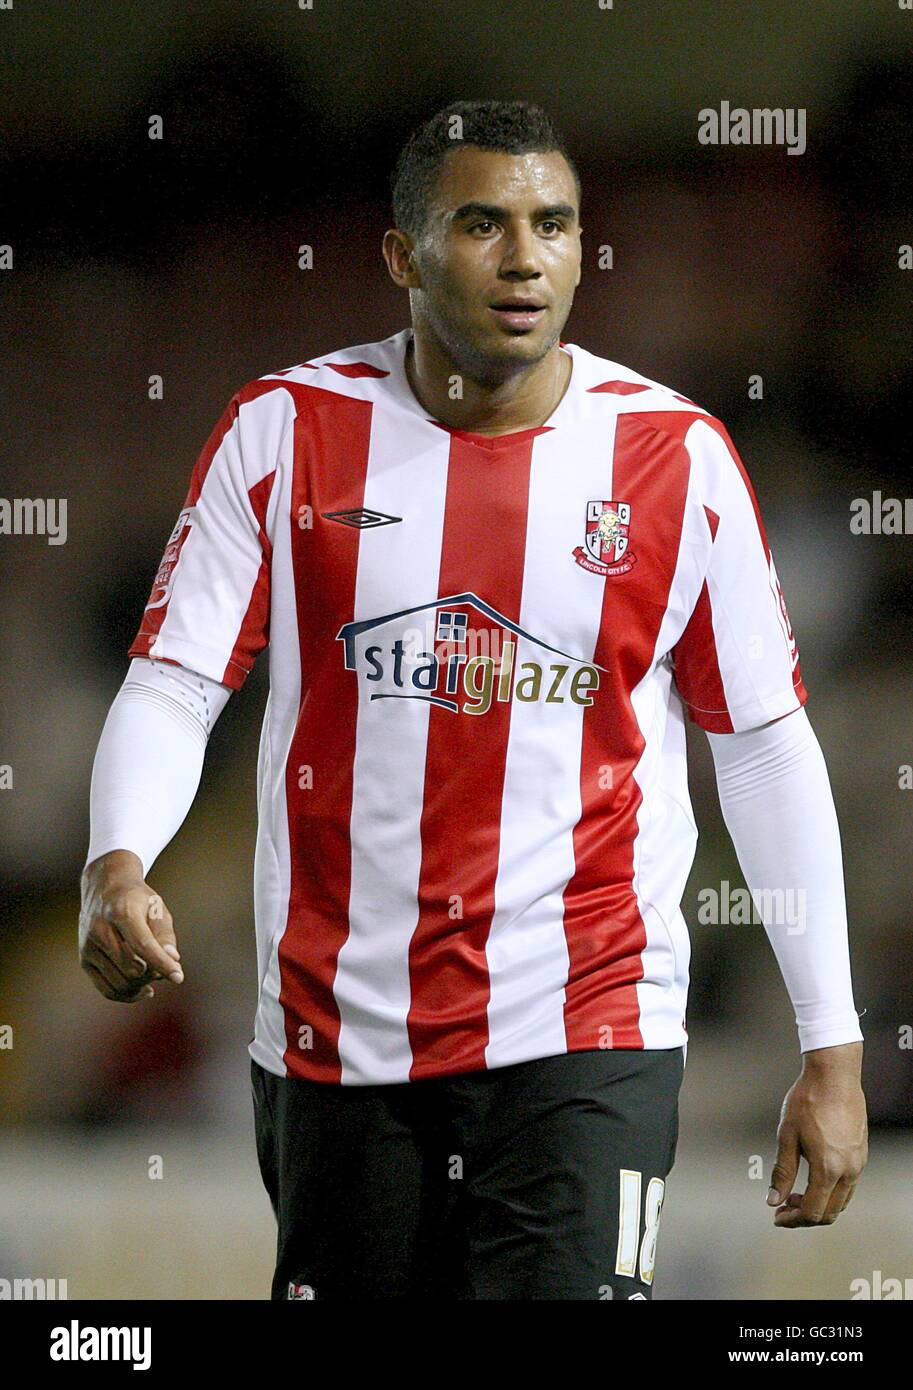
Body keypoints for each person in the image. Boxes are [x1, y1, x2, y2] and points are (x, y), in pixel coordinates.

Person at [79, 99, 867, 1300]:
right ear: (400, 255)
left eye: (553, 225)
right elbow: (176, 682)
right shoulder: (284, 433)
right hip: (339, 1032)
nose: (524, 257)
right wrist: (117, 857)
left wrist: (832, 1044)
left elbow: (760, 747)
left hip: (589, 1026)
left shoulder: (672, 459)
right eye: (482, 224)